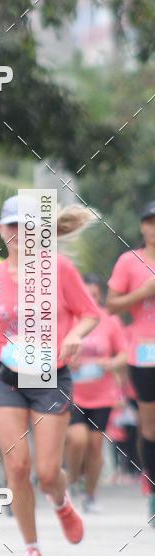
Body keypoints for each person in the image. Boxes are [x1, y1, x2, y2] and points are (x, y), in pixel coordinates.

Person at [0, 195, 100, 556]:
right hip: (5, 375)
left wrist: (75, 337)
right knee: (18, 467)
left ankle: (61, 502)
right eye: (12, 226)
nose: (20, 233)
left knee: (48, 471)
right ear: (2, 232)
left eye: (28, 226)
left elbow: (90, 314)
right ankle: (31, 547)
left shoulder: (60, 269)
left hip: (48, 374)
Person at [107, 202, 155, 523]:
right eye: (150, 222)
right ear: (142, 227)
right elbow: (111, 305)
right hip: (145, 351)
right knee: (150, 425)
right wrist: (144, 293)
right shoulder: (129, 261)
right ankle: (152, 490)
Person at [65, 274, 126, 512]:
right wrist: (69, 361)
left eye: (94, 295)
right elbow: (54, 351)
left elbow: (124, 353)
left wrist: (110, 363)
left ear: (99, 296)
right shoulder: (69, 318)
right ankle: (70, 485)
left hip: (103, 394)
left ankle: (90, 495)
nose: (90, 299)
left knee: (95, 445)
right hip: (74, 392)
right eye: (85, 294)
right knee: (77, 439)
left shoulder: (110, 320)